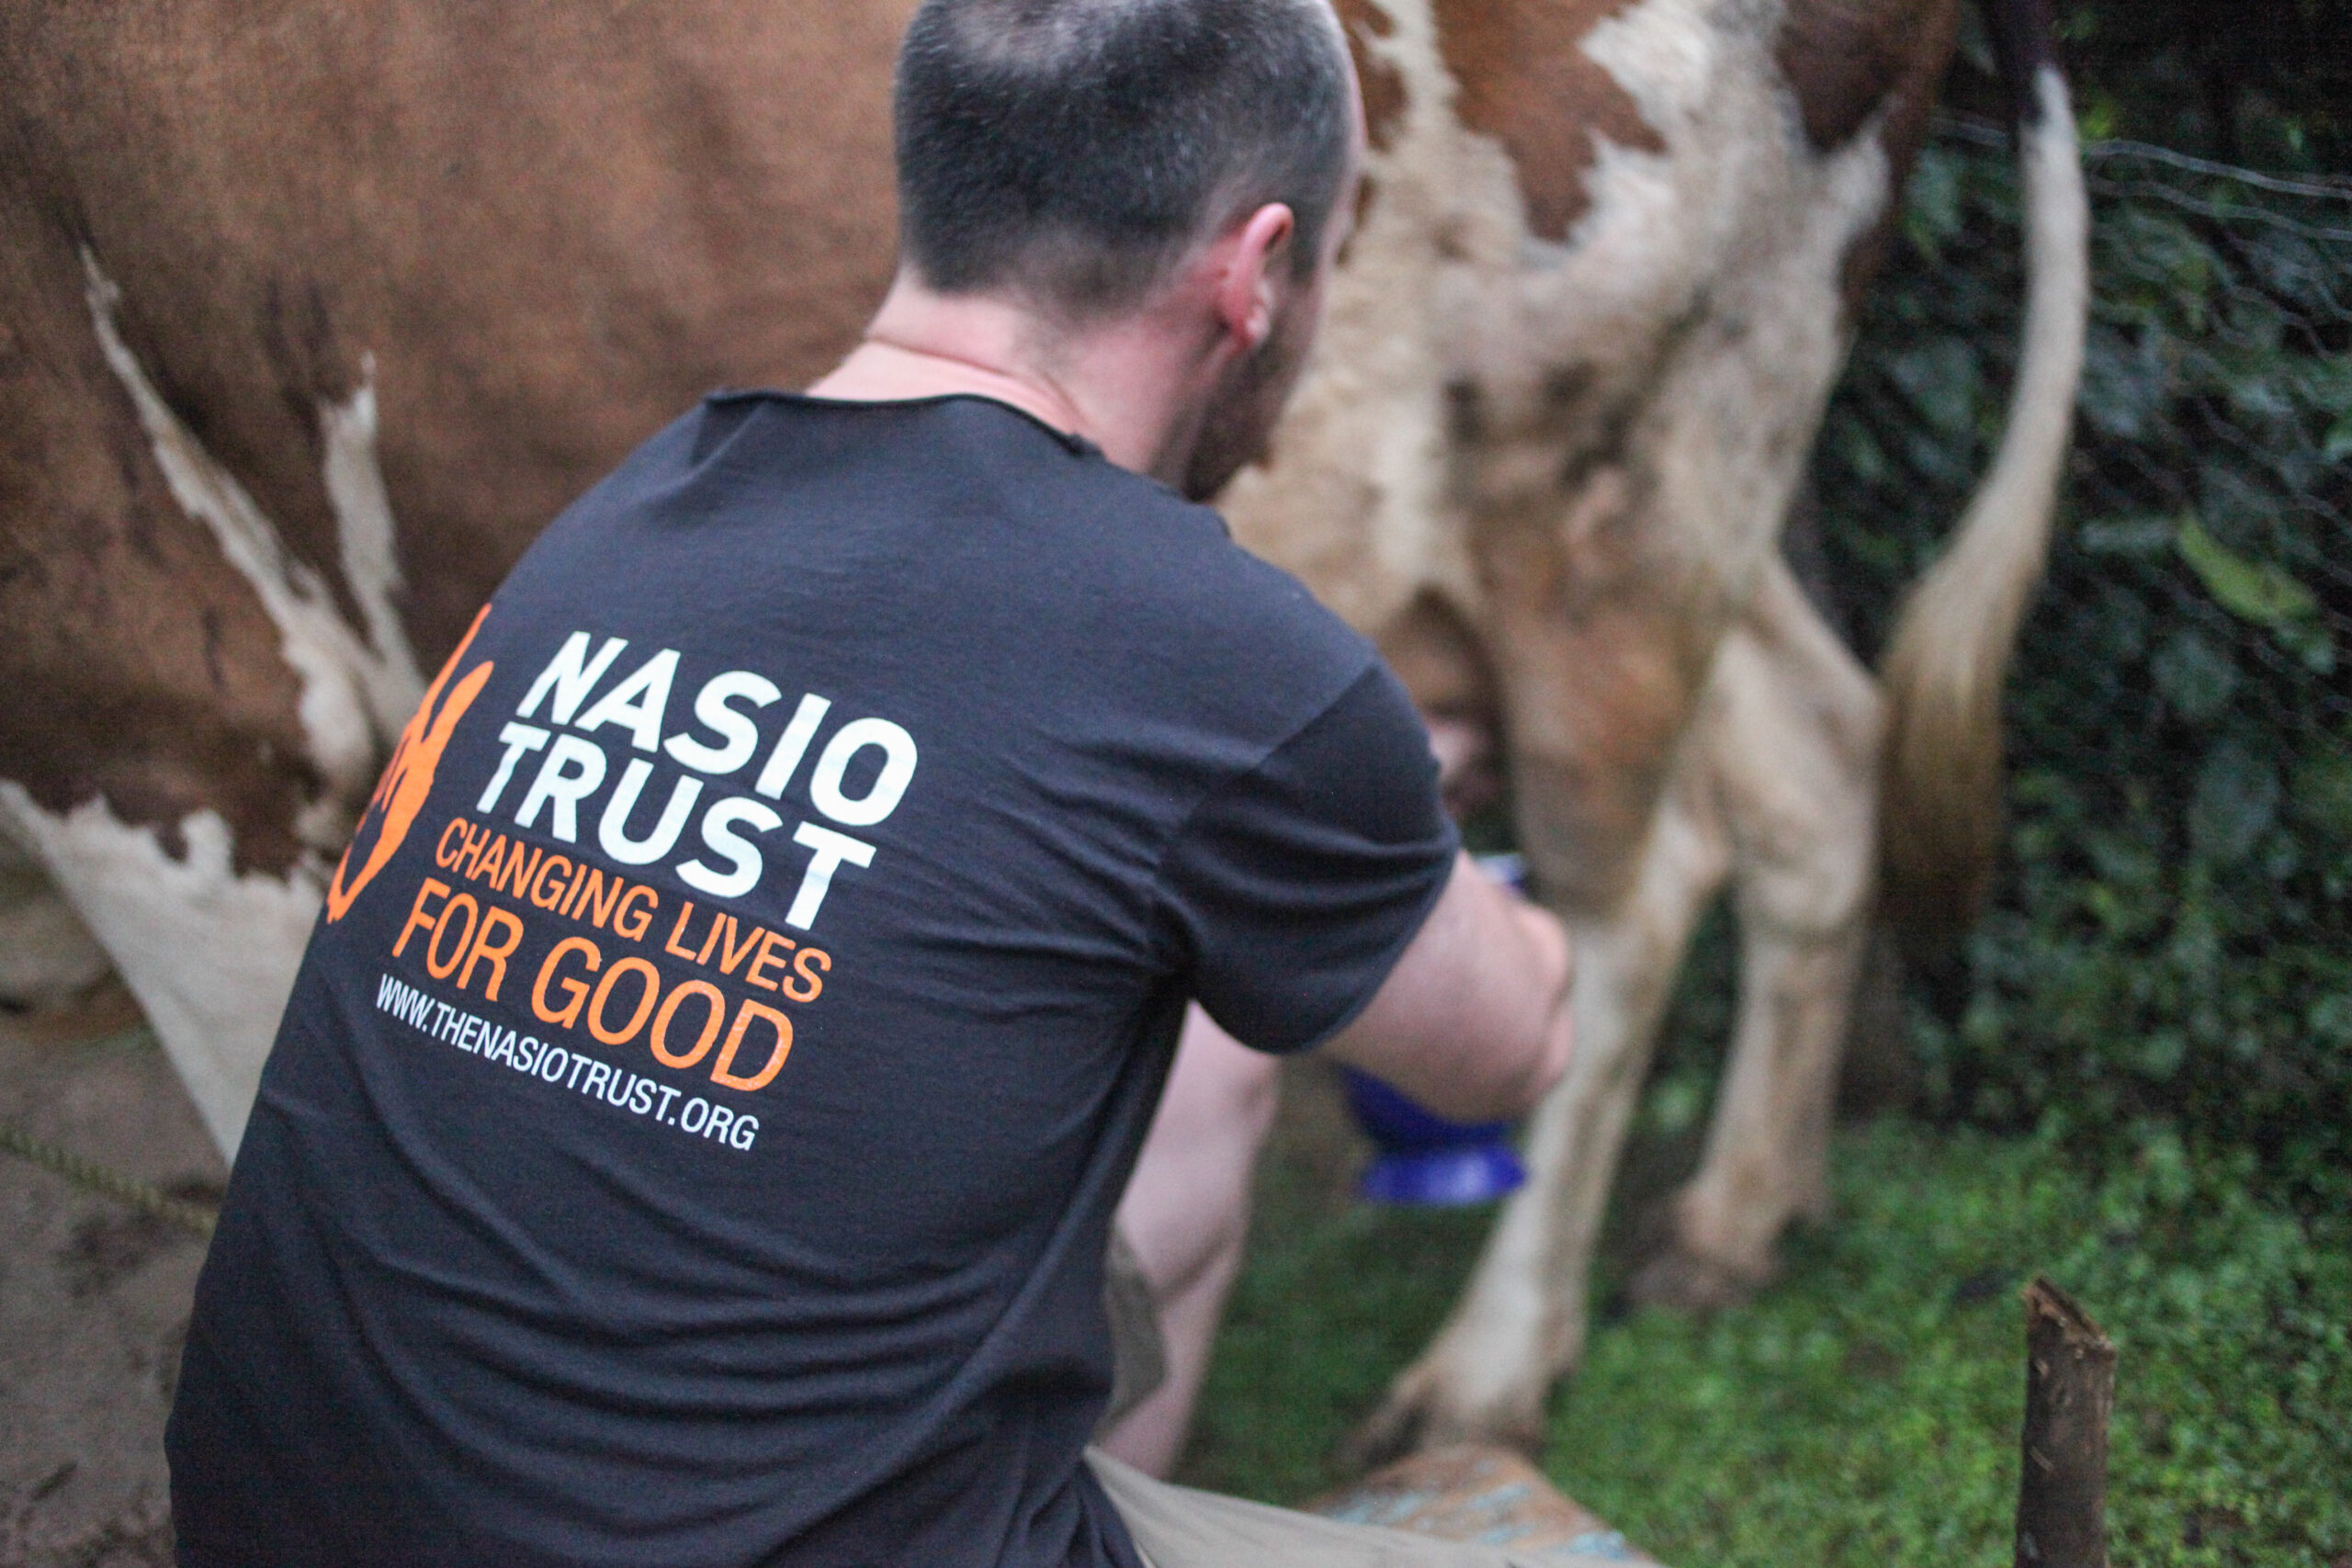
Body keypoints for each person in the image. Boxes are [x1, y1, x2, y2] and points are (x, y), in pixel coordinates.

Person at [165, 1, 1577, 1563]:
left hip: (272, 1519)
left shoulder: (616, 528)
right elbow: (1508, 1053)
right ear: (1252, 277)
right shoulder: (1225, 660)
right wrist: (1416, 840)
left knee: (1203, 1076)